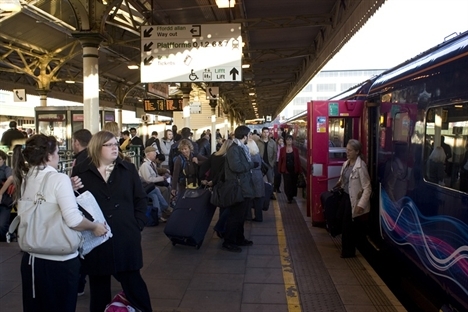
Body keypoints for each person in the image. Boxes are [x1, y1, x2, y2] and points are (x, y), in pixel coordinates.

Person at [12, 134, 107, 312]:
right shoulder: (59, 178)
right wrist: (95, 226)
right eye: (56, 152)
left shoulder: (27, 178)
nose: (58, 156)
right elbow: (73, 220)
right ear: (48, 156)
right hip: (60, 262)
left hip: (32, 262)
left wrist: (68, 190)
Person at [71, 131, 152, 312]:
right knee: (99, 287)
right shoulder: (81, 171)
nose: (115, 147)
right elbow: (74, 203)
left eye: (116, 144)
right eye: (109, 145)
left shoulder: (127, 169)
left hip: (125, 235)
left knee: (133, 282)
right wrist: (70, 188)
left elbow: (140, 198)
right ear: (97, 147)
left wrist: (137, 223)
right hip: (97, 237)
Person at [334, 139, 371, 258]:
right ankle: (346, 249)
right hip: (345, 197)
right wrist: (339, 183)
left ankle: (348, 252)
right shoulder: (346, 163)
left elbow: (367, 187)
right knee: (341, 221)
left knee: (348, 227)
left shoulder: (361, 167)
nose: (347, 152)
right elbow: (344, 179)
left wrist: (361, 205)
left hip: (354, 200)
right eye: (347, 150)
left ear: (357, 151)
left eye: (350, 150)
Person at [222, 125, 257, 253]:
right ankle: (229, 241)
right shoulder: (234, 149)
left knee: (241, 215)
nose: (250, 137)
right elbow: (236, 166)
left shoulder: (241, 148)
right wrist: (251, 164)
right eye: (249, 135)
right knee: (235, 216)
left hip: (243, 186)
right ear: (244, 136)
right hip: (238, 187)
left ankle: (239, 238)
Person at [199, 139, 234, 238]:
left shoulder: (214, 155)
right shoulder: (227, 157)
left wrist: (202, 178)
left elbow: (204, 165)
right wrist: (213, 181)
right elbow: (221, 173)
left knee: (219, 207)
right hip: (223, 184)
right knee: (226, 207)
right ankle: (221, 228)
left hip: (213, 185)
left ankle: (219, 228)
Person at [246, 138, 265, 222]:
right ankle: (259, 217)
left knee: (249, 198)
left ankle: (248, 216)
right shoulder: (257, 154)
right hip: (258, 175)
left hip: (250, 175)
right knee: (258, 198)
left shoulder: (248, 155)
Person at [278, 135, 301, 203]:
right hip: (286, 169)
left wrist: (299, 170)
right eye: (287, 140)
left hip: (294, 169)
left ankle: (292, 195)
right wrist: (279, 169)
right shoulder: (282, 149)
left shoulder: (295, 149)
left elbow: (298, 160)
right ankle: (289, 197)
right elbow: (280, 160)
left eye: (290, 140)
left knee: (293, 183)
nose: (289, 141)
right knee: (287, 184)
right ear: (285, 141)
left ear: (292, 141)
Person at [0, 150, 14, 241]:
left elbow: (11, 178)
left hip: (4, 202)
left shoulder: (7, 169)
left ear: (4, 160)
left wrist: (0, 193)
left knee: (1, 225)